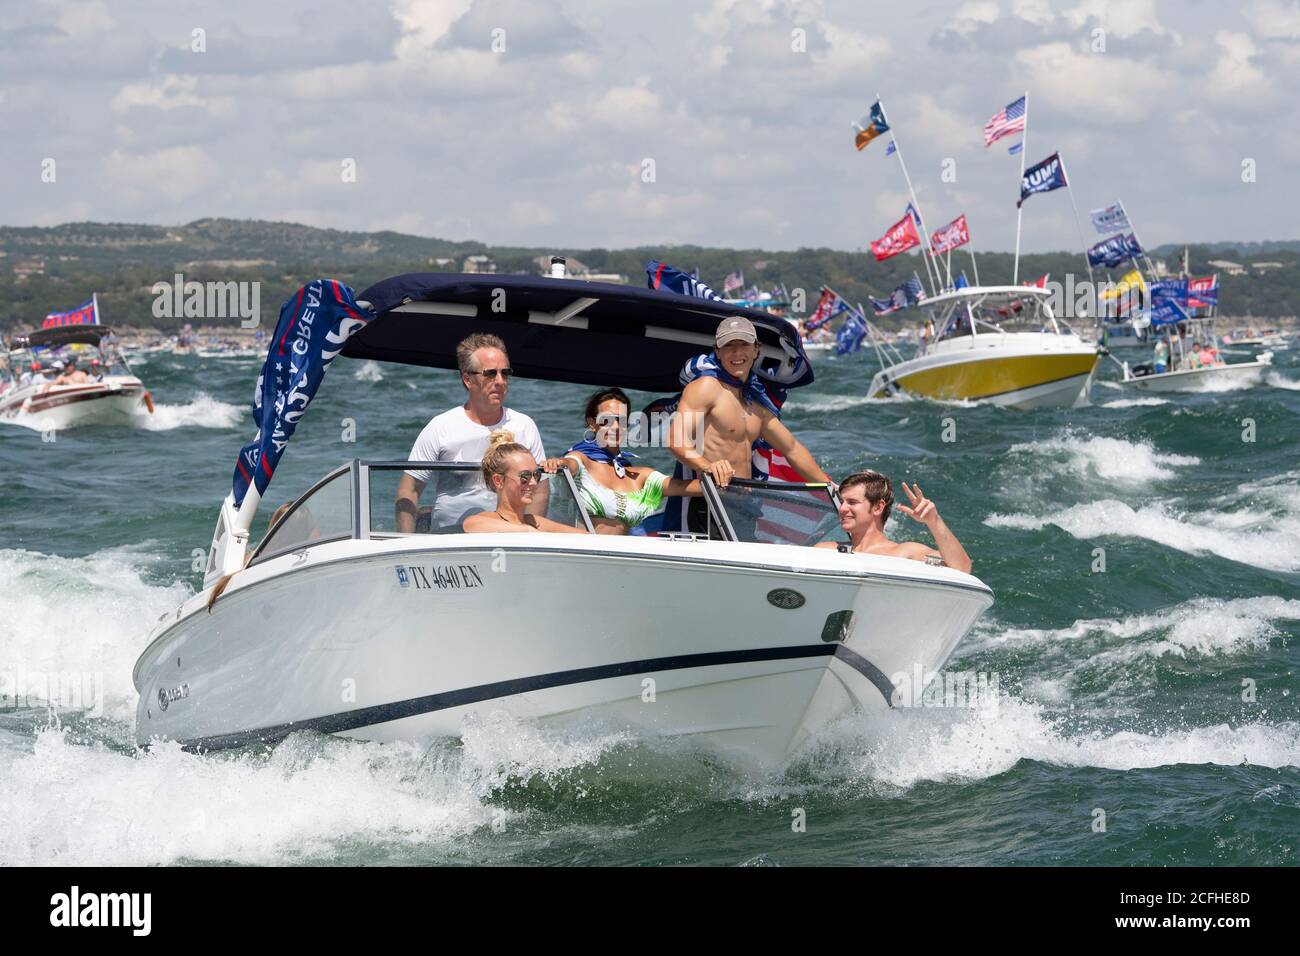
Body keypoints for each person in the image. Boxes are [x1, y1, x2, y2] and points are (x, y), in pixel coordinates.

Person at [666, 316, 832, 535]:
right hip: (710, 502)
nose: (737, 353)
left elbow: (792, 448)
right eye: (729, 346)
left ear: (756, 350)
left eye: (744, 344)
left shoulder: (756, 402)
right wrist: (708, 466)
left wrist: (831, 490)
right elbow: (675, 440)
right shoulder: (706, 387)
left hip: (746, 505)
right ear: (717, 350)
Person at [394, 333, 547, 532]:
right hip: (449, 541)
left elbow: (540, 490)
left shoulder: (525, 426)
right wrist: (407, 546)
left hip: (512, 537)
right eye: (490, 374)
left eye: (505, 373)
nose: (500, 381)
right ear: (467, 379)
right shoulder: (440, 427)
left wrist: (529, 537)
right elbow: (409, 491)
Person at [544, 387, 704, 535]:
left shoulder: (640, 476)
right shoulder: (582, 460)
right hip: (582, 557)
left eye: (621, 421)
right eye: (607, 420)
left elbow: (690, 487)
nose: (615, 427)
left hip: (624, 559)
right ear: (592, 425)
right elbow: (569, 464)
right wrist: (557, 464)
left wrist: (717, 470)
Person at [815, 471, 971, 573]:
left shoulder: (905, 553)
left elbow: (962, 569)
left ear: (877, 507)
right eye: (842, 502)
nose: (842, 509)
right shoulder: (825, 550)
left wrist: (933, 521)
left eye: (852, 502)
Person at [463, 431, 588, 534]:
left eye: (536, 475)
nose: (533, 482)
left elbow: (586, 537)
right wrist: (527, 531)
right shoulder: (489, 520)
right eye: (525, 476)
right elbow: (470, 524)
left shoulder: (534, 522)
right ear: (499, 480)